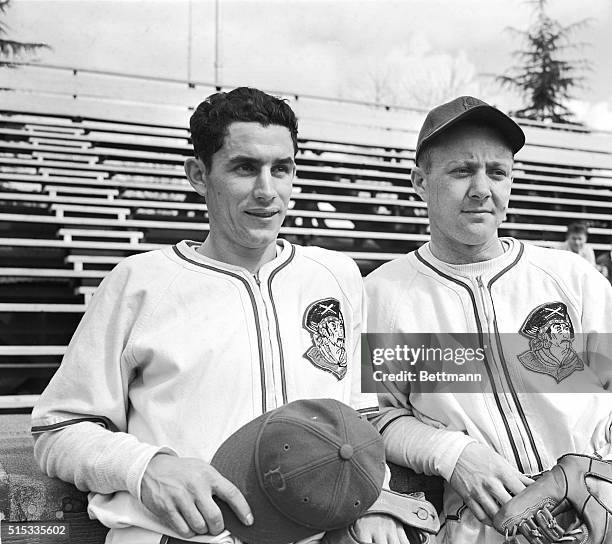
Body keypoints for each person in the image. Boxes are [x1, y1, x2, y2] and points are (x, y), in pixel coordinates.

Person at [31, 88, 400, 544]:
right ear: (199, 175)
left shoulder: (337, 274)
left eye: (280, 169)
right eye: (244, 168)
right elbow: (59, 429)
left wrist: (378, 500)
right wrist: (147, 467)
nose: (267, 191)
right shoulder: (140, 282)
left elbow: (359, 416)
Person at [366, 96, 612, 544]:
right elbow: (379, 418)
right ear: (420, 182)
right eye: (462, 171)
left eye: (497, 172)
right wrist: (451, 453)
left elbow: (611, 384)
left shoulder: (571, 278)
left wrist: (598, 474)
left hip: (597, 514)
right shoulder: (385, 294)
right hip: (480, 529)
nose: (483, 188)